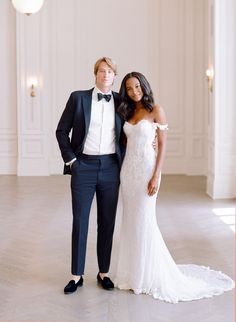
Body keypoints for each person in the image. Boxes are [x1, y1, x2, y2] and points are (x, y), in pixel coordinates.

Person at [114, 72, 234, 303]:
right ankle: (130, 275)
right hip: (128, 173)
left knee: (144, 220)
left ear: (144, 86)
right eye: (128, 88)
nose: (134, 91)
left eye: (137, 86)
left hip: (147, 172)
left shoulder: (156, 110)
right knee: (130, 221)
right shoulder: (127, 112)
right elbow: (127, 143)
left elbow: (161, 145)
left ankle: (147, 276)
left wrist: (156, 174)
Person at [56, 57, 125, 294]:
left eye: (110, 71)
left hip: (110, 168)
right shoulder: (78, 97)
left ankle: (103, 272)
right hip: (83, 166)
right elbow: (61, 130)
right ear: (95, 74)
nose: (106, 75)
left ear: (115, 76)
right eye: (102, 71)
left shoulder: (120, 101)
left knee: (107, 222)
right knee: (80, 221)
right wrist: (72, 161)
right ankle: (76, 275)